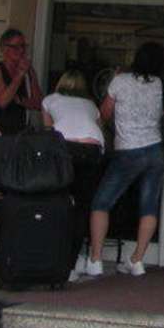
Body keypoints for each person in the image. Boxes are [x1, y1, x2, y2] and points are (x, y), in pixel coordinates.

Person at [82, 42, 164, 278]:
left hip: (128, 151)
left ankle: (95, 259)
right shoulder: (163, 85)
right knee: (149, 206)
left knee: (101, 202)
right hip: (155, 151)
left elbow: (103, 114)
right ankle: (137, 260)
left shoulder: (120, 81)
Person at [41, 69, 106, 283]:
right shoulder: (91, 105)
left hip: (64, 149)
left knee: (57, 202)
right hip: (91, 149)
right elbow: (99, 128)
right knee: (81, 207)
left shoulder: (49, 100)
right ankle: (71, 265)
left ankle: (54, 258)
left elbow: (48, 133)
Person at [0, 28, 41, 137]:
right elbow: (2, 101)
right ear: (4, 49)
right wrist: (19, 76)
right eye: (16, 47)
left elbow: (39, 103)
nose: (21, 50)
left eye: (23, 46)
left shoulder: (29, 71)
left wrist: (22, 101)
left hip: (21, 133)